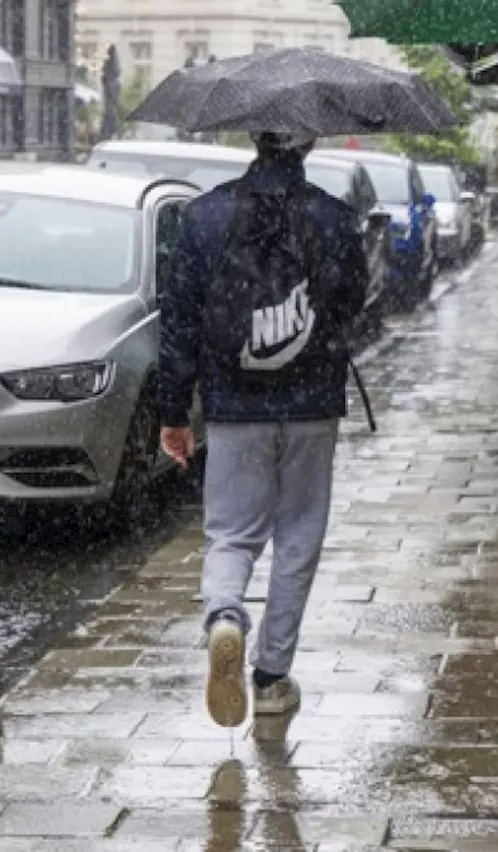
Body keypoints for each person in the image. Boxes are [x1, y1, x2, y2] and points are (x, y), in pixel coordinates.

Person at [157, 130, 368, 728]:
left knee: (231, 533)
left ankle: (225, 618)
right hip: (311, 406)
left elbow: (178, 320)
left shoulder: (204, 216)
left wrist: (174, 412)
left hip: (234, 405)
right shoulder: (333, 217)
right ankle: (272, 675)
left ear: (255, 137)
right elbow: (355, 301)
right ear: (307, 144)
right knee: (298, 535)